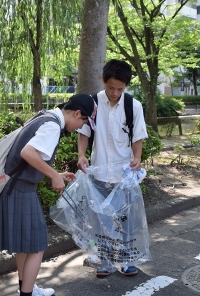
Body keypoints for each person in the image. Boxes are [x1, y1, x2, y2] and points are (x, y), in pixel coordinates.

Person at [0, 94, 96, 296]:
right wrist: (52, 175)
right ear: (77, 113)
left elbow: (30, 154)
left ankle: (27, 289)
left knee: (24, 245)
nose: (81, 127)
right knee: (37, 245)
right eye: (83, 122)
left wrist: (55, 173)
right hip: (21, 190)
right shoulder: (52, 126)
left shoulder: (45, 116)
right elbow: (27, 153)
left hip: (15, 188)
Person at [77, 59, 149, 277]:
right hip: (98, 171)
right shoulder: (93, 104)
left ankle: (127, 260)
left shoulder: (132, 105)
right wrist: (81, 155)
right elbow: (84, 134)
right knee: (101, 218)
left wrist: (137, 157)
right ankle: (106, 261)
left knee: (125, 219)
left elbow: (138, 137)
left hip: (124, 174)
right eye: (111, 87)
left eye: (120, 88)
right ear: (103, 80)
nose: (115, 92)